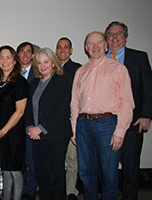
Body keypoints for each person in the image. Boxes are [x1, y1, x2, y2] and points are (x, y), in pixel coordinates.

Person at [70, 32, 135, 200]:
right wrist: (74, 130)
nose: (95, 46)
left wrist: (120, 131)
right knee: (85, 172)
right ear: (86, 48)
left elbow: (127, 102)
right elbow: (75, 103)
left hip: (108, 124)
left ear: (105, 45)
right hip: (83, 125)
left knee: (109, 173)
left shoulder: (118, 69)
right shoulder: (80, 71)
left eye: (99, 42)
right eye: (91, 43)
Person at [104, 21, 152, 200]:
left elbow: (149, 88)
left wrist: (146, 115)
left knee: (130, 168)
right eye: (110, 34)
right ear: (106, 38)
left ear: (125, 37)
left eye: (118, 33)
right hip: (105, 124)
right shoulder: (99, 59)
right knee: (106, 168)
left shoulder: (139, 57)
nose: (114, 37)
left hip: (133, 123)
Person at [24, 47, 71, 200]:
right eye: (39, 63)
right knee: (41, 173)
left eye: (46, 61)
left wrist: (41, 129)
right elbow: (28, 109)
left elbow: (62, 110)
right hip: (36, 137)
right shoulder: (33, 83)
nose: (42, 65)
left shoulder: (62, 81)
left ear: (53, 63)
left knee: (56, 173)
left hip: (56, 136)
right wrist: (30, 128)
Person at [0, 45, 29, 200]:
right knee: (5, 169)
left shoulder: (20, 82)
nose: (4, 61)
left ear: (14, 60)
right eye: (1, 57)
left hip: (12, 133)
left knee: (15, 171)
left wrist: (2, 131)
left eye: (8, 57)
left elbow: (19, 112)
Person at [55, 37, 81, 200]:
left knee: (72, 159)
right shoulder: (50, 68)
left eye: (66, 47)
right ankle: (58, 190)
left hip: (71, 120)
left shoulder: (78, 69)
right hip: (54, 123)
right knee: (57, 159)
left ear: (71, 50)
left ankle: (71, 191)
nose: (62, 50)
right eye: (59, 47)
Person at [16, 42, 38, 200]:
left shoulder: (39, 73)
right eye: (22, 51)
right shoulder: (11, 74)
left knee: (32, 158)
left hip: (32, 124)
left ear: (32, 55)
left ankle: (31, 190)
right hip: (15, 125)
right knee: (18, 159)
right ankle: (21, 189)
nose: (25, 54)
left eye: (28, 52)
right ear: (18, 55)